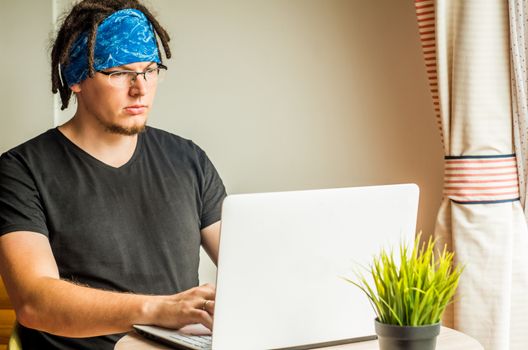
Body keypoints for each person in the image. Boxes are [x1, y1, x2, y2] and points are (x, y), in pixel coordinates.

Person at [0, 1, 226, 349]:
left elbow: (248, 262)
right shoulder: (20, 170)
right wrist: (159, 309)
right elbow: (34, 301)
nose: (140, 88)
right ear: (76, 78)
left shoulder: (189, 159)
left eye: (150, 70)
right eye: (119, 73)